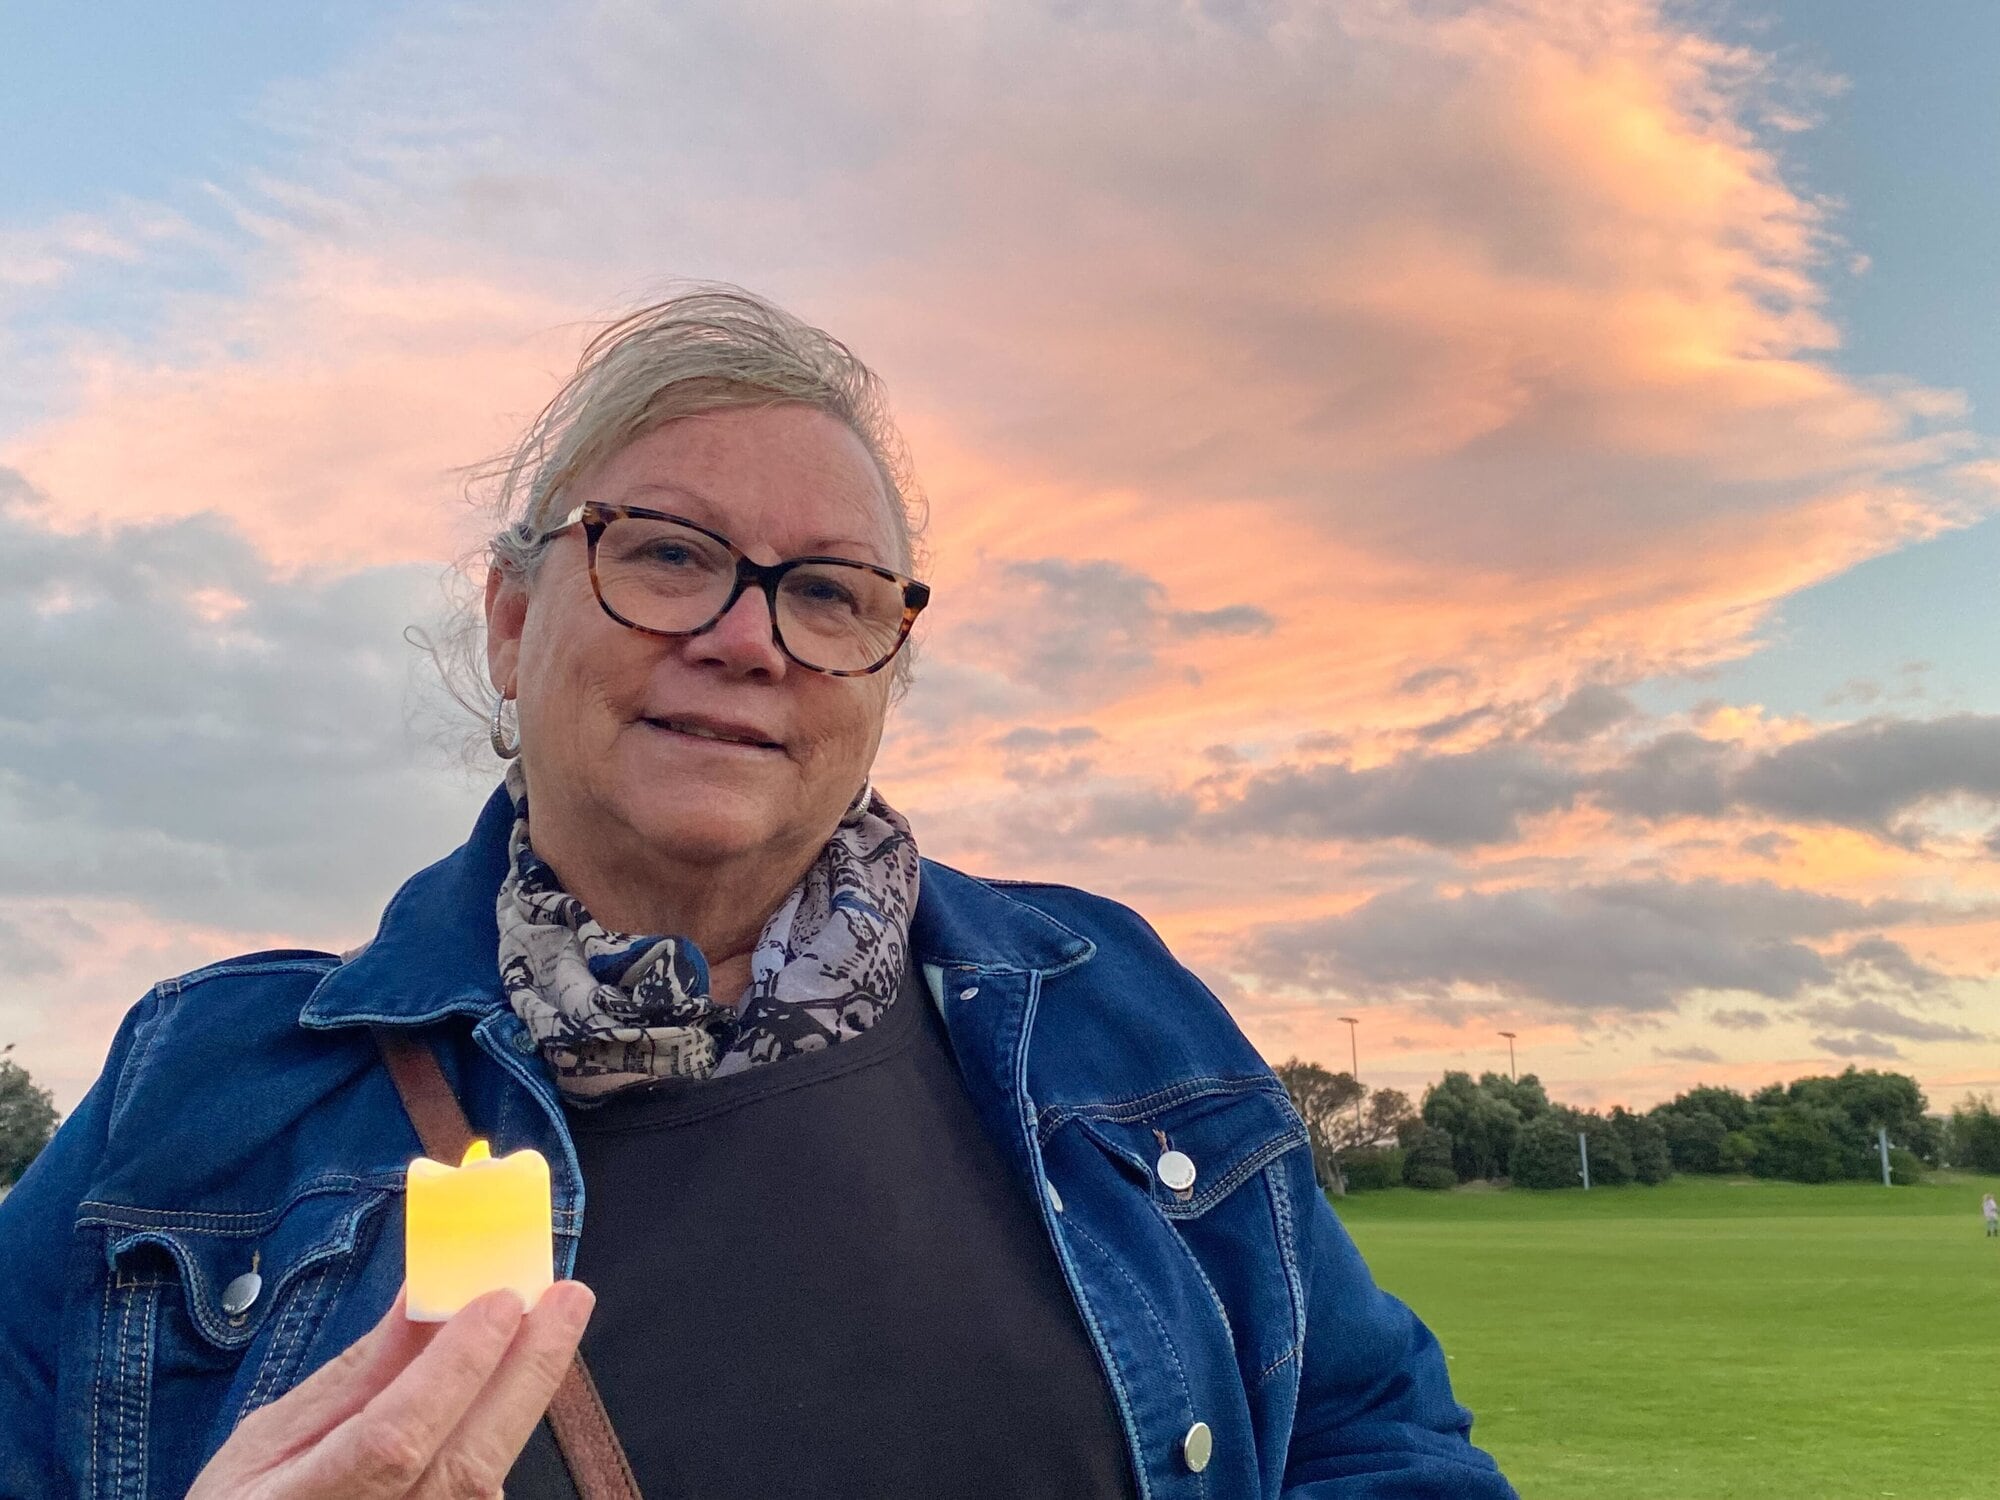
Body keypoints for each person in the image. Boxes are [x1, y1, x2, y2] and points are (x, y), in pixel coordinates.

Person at [0, 287, 1516, 1499]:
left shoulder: (1111, 1006)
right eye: (669, 555)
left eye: (830, 592)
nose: (748, 638)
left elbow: (1370, 1433)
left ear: (885, 674)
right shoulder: (197, 1095)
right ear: (512, 621)